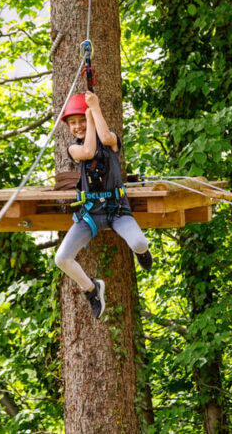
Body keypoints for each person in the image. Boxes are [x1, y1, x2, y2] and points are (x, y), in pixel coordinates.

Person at [54, 91, 153, 319]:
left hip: (117, 210)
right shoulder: (73, 149)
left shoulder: (111, 142)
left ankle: (142, 252)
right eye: (73, 123)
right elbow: (88, 152)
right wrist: (88, 118)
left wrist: (95, 108)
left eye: (81, 120)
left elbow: (105, 137)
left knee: (139, 242)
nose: (78, 126)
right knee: (62, 259)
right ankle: (92, 289)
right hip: (90, 215)